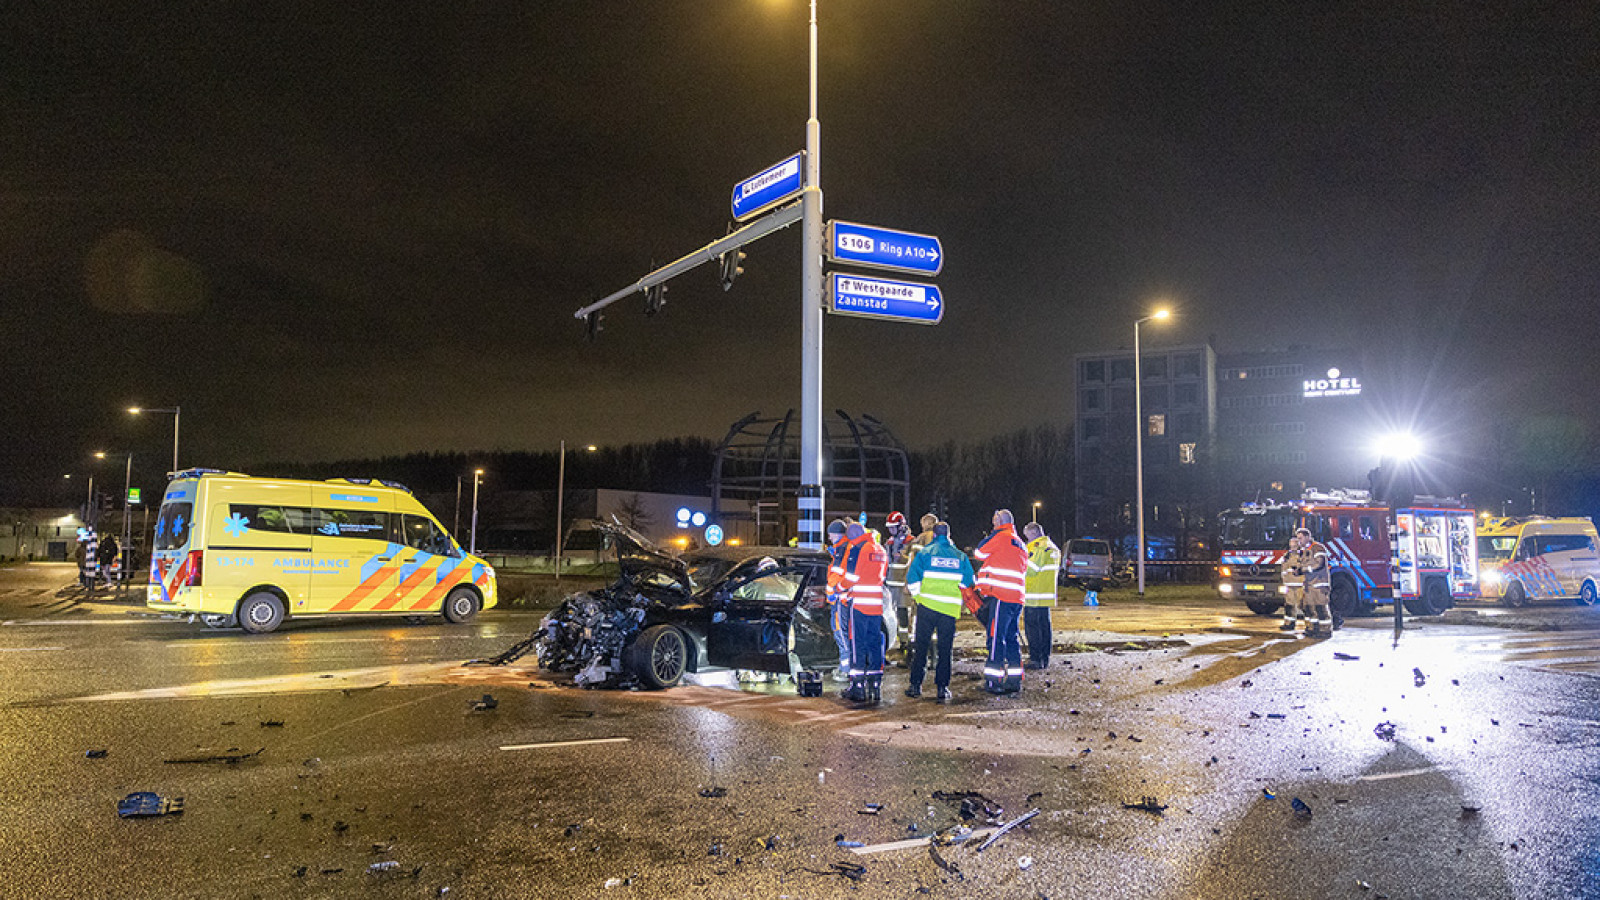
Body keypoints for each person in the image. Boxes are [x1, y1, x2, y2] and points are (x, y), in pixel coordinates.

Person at [903, 521, 975, 703]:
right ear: (949, 536)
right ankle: (942, 688)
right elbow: (968, 582)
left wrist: (919, 597)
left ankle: (915, 686)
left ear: (934, 535)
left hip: (926, 607)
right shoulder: (960, 557)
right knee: (945, 650)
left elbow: (912, 578)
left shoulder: (925, 553)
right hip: (948, 611)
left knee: (921, 647)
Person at [973, 509, 1030, 694]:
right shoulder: (1021, 543)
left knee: (996, 638)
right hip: (1017, 598)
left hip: (1000, 596)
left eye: (994, 521)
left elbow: (979, 553)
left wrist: (994, 533)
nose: (992, 524)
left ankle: (993, 681)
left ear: (999, 522)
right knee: (1011, 638)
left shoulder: (1000, 537)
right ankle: (1015, 680)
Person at [840, 521, 889, 705]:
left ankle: (858, 687)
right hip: (876, 605)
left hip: (859, 605)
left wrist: (839, 588)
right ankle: (875, 686)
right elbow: (881, 576)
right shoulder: (880, 550)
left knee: (857, 645)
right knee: (874, 643)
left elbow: (852, 578)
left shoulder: (857, 550)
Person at [1022, 521, 1061, 670]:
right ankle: (1044, 658)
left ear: (1033, 533)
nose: (1028, 540)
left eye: (1028, 537)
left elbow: (1031, 568)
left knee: (1033, 628)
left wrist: (1019, 562)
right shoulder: (1053, 547)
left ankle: (1036, 659)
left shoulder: (1037, 547)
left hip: (1033, 594)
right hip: (1046, 594)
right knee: (1045, 627)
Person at [825, 519, 852, 681]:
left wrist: (830, 592)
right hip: (844, 597)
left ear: (835, 534)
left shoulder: (842, 549)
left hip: (840, 599)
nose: (829, 538)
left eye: (830, 535)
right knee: (843, 632)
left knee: (840, 632)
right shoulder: (843, 548)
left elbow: (836, 574)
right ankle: (846, 666)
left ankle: (845, 669)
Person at [881, 511, 912, 654]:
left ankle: (905, 642)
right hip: (890, 585)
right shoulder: (889, 543)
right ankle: (895, 641)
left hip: (903, 587)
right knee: (890, 615)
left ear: (901, 526)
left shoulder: (911, 542)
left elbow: (913, 563)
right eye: (889, 527)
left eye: (893, 527)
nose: (891, 530)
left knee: (903, 615)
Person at [1297, 527, 1334, 637]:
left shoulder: (1317, 548)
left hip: (1319, 584)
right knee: (1309, 608)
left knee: (1320, 608)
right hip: (1309, 585)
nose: (1299, 541)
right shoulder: (1305, 551)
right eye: (1298, 539)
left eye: (1301, 538)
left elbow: (1319, 564)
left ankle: (1325, 630)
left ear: (1308, 537)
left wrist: (1303, 570)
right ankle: (1312, 628)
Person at [1279, 535, 1308, 633]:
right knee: (1289, 605)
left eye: (1295, 543)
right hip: (1289, 585)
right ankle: (1289, 623)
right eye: (1292, 544)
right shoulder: (1287, 555)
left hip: (1300, 584)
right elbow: (1283, 569)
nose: (1293, 545)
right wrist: (1284, 580)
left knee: (1303, 605)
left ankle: (1309, 625)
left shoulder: (1303, 555)